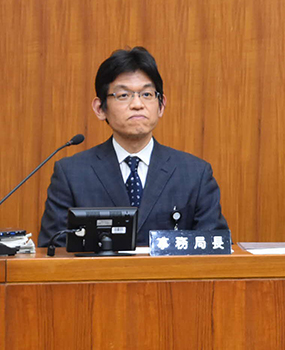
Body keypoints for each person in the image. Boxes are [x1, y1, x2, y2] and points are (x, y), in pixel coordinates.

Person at [38, 47, 227, 247]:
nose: (137, 104)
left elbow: (213, 248)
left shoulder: (195, 174)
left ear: (161, 105)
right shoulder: (71, 174)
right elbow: (53, 252)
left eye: (146, 94)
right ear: (100, 108)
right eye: (123, 95)